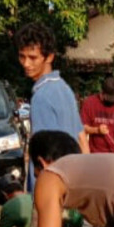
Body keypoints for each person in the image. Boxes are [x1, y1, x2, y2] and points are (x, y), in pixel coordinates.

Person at [15, 22, 88, 190]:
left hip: (51, 188)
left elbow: (43, 157)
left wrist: (39, 197)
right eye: (22, 56)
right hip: (72, 182)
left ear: (49, 57)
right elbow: (82, 140)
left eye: (33, 57)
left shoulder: (41, 97)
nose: (26, 64)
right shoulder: (64, 88)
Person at [80, 76, 114, 154]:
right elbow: (82, 128)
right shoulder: (90, 103)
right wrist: (97, 130)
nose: (112, 101)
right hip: (96, 154)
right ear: (101, 93)